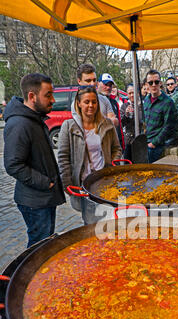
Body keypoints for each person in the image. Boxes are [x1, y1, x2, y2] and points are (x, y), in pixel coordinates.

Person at [3, 73, 65, 248]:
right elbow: (13, 165)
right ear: (32, 96)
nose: (53, 99)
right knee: (39, 248)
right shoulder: (19, 124)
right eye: (48, 95)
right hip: (35, 201)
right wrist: (46, 183)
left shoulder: (33, 119)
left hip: (43, 198)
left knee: (45, 242)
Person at [57, 86, 122, 225]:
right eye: (86, 102)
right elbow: (63, 157)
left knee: (109, 218)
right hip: (83, 184)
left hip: (105, 180)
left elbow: (117, 148)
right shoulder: (68, 126)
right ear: (79, 103)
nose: (91, 105)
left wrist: (113, 166)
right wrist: (67, 184)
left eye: (94, 102)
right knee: (90, 222)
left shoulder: (106, 124)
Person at [143, 69, 176, 163]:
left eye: (156, 82)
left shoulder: (168, 102)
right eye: (150, 82)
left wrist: (154, 143)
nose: (153, 85)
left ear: (160, 83)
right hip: (145, 143)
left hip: (156, 146)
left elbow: (169, 126)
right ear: (146, 84)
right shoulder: (146, 100)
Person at [98, 73, 125, 152]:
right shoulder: (94, 101)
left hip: (115, 146)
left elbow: (118, 126)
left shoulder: (114, 102)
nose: (108, 87)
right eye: (105, 84)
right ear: (98, 84)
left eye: (110, 85)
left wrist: (121, 144)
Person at [120, 84, 143, 161]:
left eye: (133, 92)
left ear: (138, 93)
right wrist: (126, 114)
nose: (132, 95)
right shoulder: (124, 106)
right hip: (129, 142)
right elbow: (122, 123)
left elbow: (143, 121)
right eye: (129, 93)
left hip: (141, 141)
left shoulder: (143, 105)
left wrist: (138, 109)